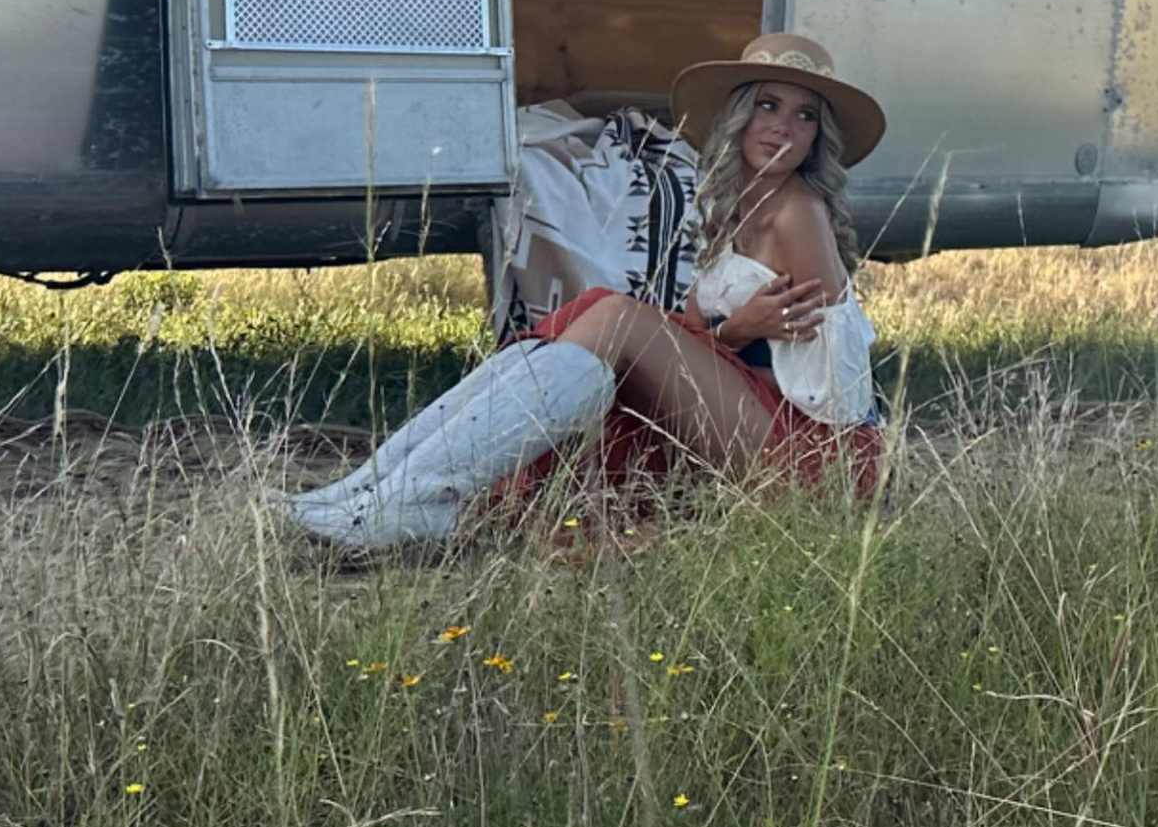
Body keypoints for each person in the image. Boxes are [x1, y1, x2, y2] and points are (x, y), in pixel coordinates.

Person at [290, 31, 890, 554]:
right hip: (750, 421)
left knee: (615, 316)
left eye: (806, 115)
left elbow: (838, 384)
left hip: (814, 452)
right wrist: (738, 330)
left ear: (819, 138)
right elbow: (699, 329)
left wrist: (739, 334)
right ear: (737, 117)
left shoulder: (798, 212)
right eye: (767, 104)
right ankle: (376, 488)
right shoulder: (733, 207)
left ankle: (414, 497)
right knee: (600, 316)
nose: (784, 126)